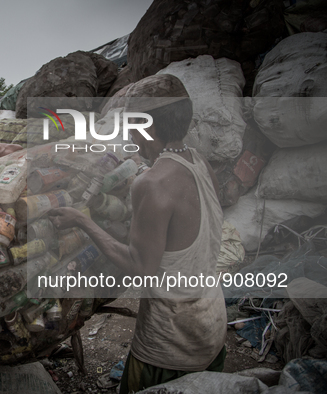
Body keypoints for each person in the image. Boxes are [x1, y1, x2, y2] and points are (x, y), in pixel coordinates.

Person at [48, 74, 227, 392]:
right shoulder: (200, 163)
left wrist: (82, 221)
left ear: (149, 126)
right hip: (211, 326)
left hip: (170, 343)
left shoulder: (153, 184)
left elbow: (138, 266)